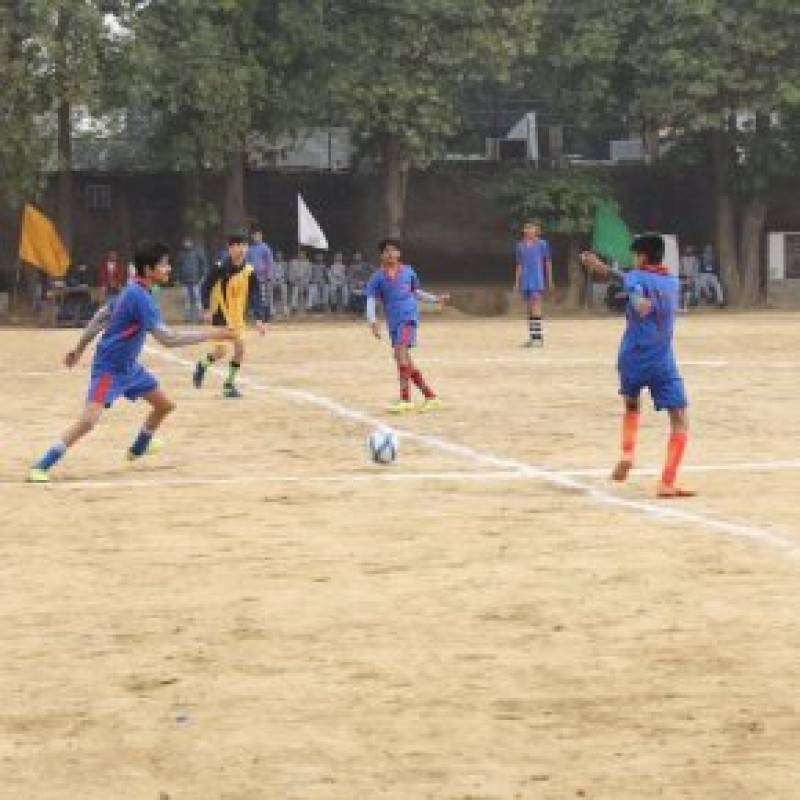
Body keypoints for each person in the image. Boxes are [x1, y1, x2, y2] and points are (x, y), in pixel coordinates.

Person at [28, 241, 237, 483]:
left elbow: (100, 317)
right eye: (163, 265)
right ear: (148, 270)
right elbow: (168, 339)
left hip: (129, 367)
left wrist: (79, 349)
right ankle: (41, 465)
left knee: (164, 406)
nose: (169, 268)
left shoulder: (133, 289)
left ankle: (139, 447)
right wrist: (214, 333)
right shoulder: (141, 298)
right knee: (87, 421)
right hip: (109, 368)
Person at [580, 234, 695, 498]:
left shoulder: (634, 277)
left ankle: (628, 453)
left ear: (642, 256)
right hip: (662, 359)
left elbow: (634, 291)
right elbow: (631, 281)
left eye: (635, 255)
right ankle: (666, 482)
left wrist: (629, 292)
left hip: (631, 355)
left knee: (632, 405)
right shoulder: (672, 281)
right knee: (679, 420)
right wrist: (608, 271)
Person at [366, 238, 449, 413]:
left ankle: (406, 399)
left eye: (394, 250)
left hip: (408, 318)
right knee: (402, 358)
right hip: (393, 322)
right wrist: (373, 321)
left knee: (401, 352)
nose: (390, 253)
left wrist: (435, 299)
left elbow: (416, 292)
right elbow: (371, 300)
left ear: (399, 253)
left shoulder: (408, 271)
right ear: (381, 255)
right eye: (387, 251)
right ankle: (430, 396)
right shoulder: (377, 277)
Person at [192, 231, 267, 398]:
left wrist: (259, 318)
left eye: (243, 245)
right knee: (221, 352)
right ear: (230, 248)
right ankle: (202, 365)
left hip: (237, 317)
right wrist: (206, 308)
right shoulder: (220, 268)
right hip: (220, 315)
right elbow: (205, 286)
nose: (241, 249)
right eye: (236, 245)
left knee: (240, 349)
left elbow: (255, 294)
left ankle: (228, 386)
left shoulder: (249, 270)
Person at [514, 222, 553, 346]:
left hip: (537, 279)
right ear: (524, 231)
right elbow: (519, 265)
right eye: (528, 229)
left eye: (533, 229)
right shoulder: (520, 246)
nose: (530, 231)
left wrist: (549, 280)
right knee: (529, 309)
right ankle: (532, 337)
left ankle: (538, 338)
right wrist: (517, 282)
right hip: (526, 280)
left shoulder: (542, 244)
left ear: (536, 231)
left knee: (536, 306)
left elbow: (548, 262)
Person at [175, 237, 208, 323]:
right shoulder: (181, 255)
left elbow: (203, 265)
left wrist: (202, 277)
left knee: (197, 299)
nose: (187, 244)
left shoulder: (197, 253)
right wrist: (178, 279)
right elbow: (177, 268)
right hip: (184, 282)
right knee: (187, 300)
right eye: (186, 243)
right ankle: (188, 318)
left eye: (188, 242)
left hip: (196, 281)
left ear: (191, 243)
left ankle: (200, 317)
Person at [247, 225, 274, 320]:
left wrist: (269, 275)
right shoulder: (250, 249)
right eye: (254, 235)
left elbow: (270, 262)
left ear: (261, 236)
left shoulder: (265, 247)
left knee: (264, 297)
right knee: (255, 297)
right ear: (252, 237)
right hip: (253, 276)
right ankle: (257, 316)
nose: (256, 237)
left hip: (263, 276)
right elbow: (247, 262)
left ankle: (266, 316)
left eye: (257, 235)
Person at [698, 243, 724, 307]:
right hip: (704, 274)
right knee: (702, 284)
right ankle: (710, 296)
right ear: (704, 249)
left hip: (712, 274)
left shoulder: (714, 257)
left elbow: (717, 266)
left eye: (710, 248)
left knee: (718, 286)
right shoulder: (701, 257)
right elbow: (699, 267)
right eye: (707, 248)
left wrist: (717, 273)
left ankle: (720, 301)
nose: (708, 250)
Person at [288, 248, 312, 313]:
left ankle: (308, 307)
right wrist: (294, 281)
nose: (301, 255)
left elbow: (309, 274)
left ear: (305, 255)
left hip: (305, 282)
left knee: (309, 289)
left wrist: (305, 281)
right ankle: (294, 307)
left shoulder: (308, 263)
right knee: (295, 289)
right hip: (295, 282)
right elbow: (290, 273)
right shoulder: (293, 262)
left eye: (303, 254)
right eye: (300, 253)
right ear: (298, 254)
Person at [678, 245, 699, 312]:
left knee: (688, 292)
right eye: (687, 250)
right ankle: (681, 306)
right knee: (682, 292)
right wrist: (684, 274)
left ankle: (686, 306)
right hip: (683, 278)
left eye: (690, 250)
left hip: (691, 278)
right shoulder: (682, 259)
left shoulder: (695, 259)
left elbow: (696, 269)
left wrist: (692, 276)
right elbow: (680, 268)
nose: (688, 251)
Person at [271, 250, 289, 317]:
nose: (278, 256)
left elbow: (287, 273)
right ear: (275, 256)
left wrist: (285, 280)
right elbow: (270, 273)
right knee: (270, 290)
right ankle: (272, 308)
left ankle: (285, 308)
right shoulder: (272, 263)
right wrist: (273, 279)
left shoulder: (285, 264)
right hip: (273, 280)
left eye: (280, 255)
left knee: (284, 289)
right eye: (277, 255)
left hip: (282, 280)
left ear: (282, 256)